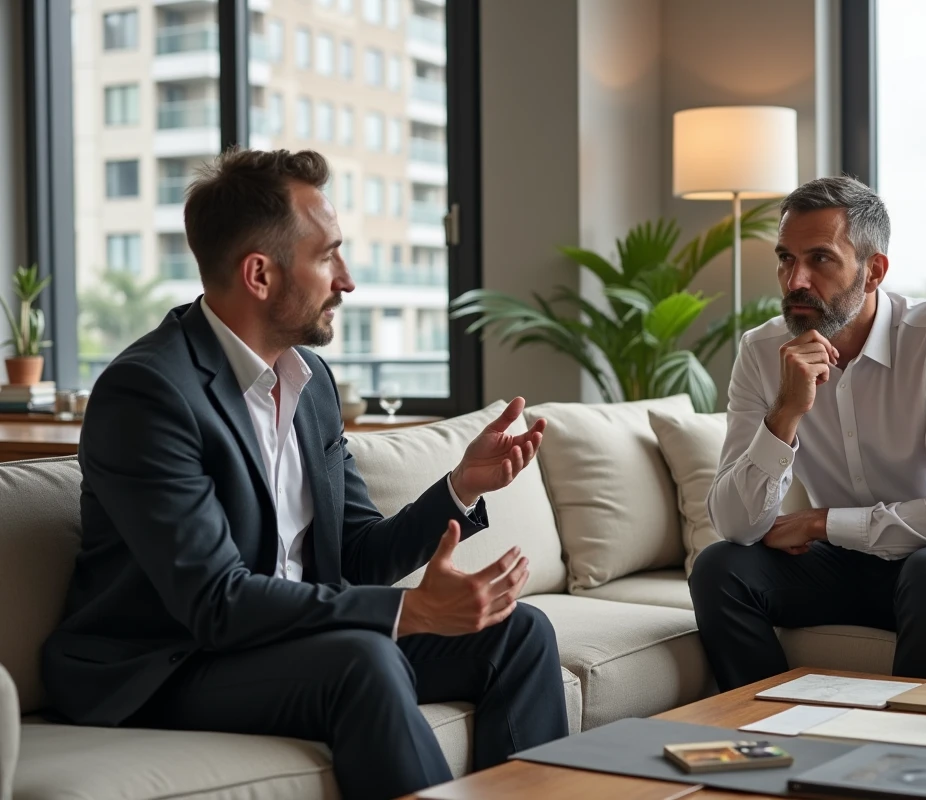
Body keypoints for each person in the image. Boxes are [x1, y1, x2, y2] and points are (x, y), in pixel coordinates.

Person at [40, 148, 569, 800]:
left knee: (518, 634)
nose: (346, 280)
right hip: (171, 662)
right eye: (327, 256)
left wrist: (462, 486)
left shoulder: (310, 380)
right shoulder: (148, 393)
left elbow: (354, 554)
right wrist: (409, 610)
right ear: (260, 275)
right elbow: (215, 604)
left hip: (292, 644)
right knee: (364, 659)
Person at [690, 176, 926, 692]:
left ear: (874, 271)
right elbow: (736, 525)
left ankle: (915, 763)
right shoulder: (762, 353)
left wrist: (821, 523)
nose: (794, 280)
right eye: (785, 258)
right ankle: (773, 735)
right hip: (850, 568)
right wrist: (785, 414)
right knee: (719, 569)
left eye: (820, 259)